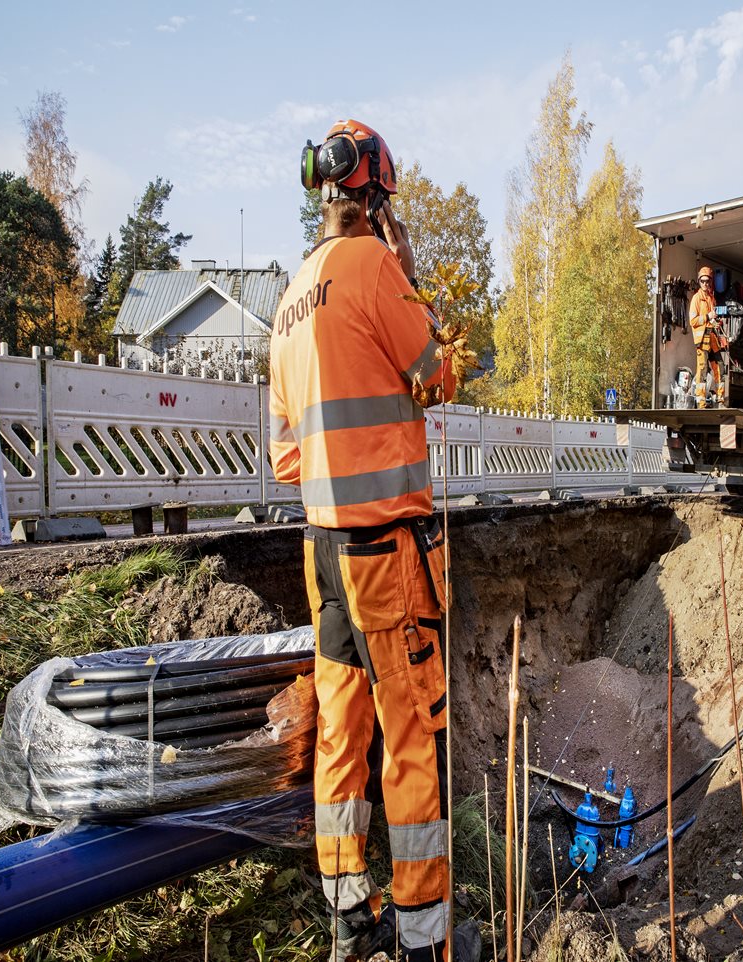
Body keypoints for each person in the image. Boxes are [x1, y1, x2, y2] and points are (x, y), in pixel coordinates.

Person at [270, 119, 478, 962]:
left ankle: (348, 922)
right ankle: (424, 939)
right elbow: (438, 375)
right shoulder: (374, 268)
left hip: (321, 551)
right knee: (412, 735)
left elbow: (287, 457)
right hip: (385, 552)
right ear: (377, 194)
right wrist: (410, 274)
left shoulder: (289, 299)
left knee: (340, 733)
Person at [688, 265, 724, 407]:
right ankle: (701, 401)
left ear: (710, 282)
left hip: (712, 337)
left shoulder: (711, 298)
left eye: (707, 281)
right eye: (702, 281)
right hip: (702, 339)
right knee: (702, 369)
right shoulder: (696, 299)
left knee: (719, 367)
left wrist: (716, 322)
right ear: (699, 281)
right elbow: (693, 321)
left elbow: (711, 318)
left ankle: (720, 398)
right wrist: (708, 316)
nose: (705, 284)